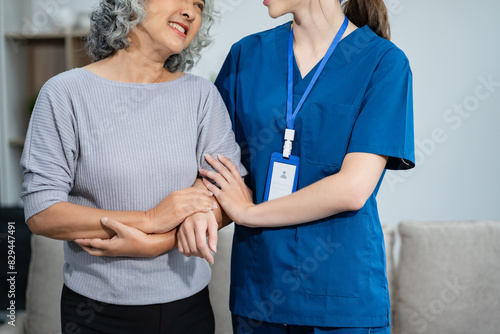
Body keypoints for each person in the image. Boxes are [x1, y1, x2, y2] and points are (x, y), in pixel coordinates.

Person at [179, 0, 415, 333]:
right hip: (258, 296)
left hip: (340, 302)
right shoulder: (247, 56)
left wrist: (248, 213)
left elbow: (352, 189)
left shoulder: (384, 63)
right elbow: (215, 162)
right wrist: (199, 207)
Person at [20, 0, 245, 333]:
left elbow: (229, 194)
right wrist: (150, 219)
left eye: (198, 5)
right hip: (96, 314)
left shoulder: (202, 97)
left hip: (189, 309)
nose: (190, 11)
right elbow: (42, 211)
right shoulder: (64, 93)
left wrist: (159, 241)